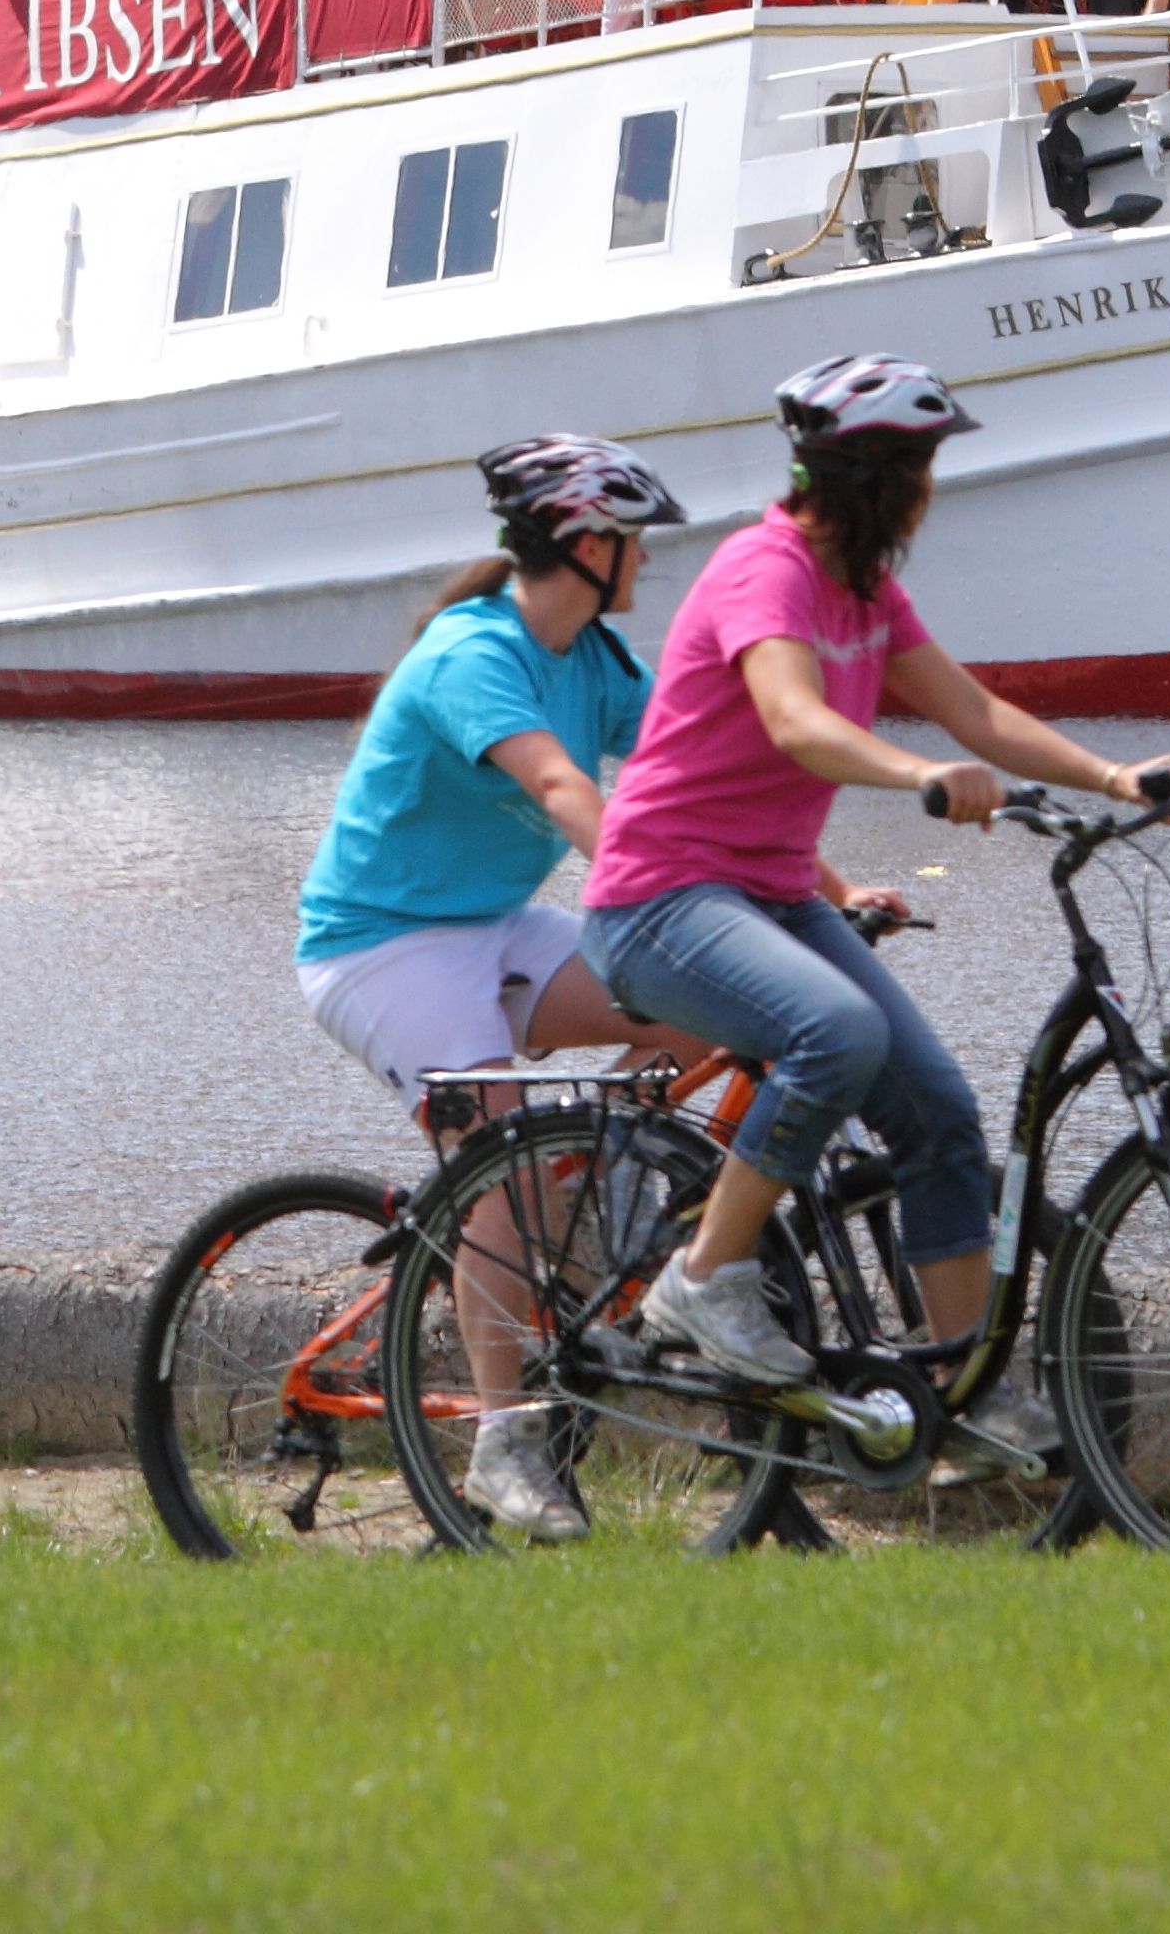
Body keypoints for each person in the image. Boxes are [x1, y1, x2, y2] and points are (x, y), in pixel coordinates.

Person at [580, 356, 1170, 1479]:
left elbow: (976, 710)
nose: (931, 493)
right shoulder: (763, 571)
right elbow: (794, 719)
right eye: (923, 467)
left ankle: (963, 1389)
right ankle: (705, 1279)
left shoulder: (864, 588)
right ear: (876, 476)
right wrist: (922, 776)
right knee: (840, 1034)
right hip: (658, 900)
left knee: (939, 1113)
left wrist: (1114, 779)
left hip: (764, 895)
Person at [294, 437, 709, 1541]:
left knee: (703, 1007)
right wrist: (654, 880)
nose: (644, 564)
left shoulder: (595, 660)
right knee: (498, 1165)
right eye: (633, 543)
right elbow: (563, 785)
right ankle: (502, 1441)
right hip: (382, 947)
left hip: (492, 927)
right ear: (585, 545)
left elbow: (695, 757)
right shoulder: (473, 654)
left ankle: (591, 1208)